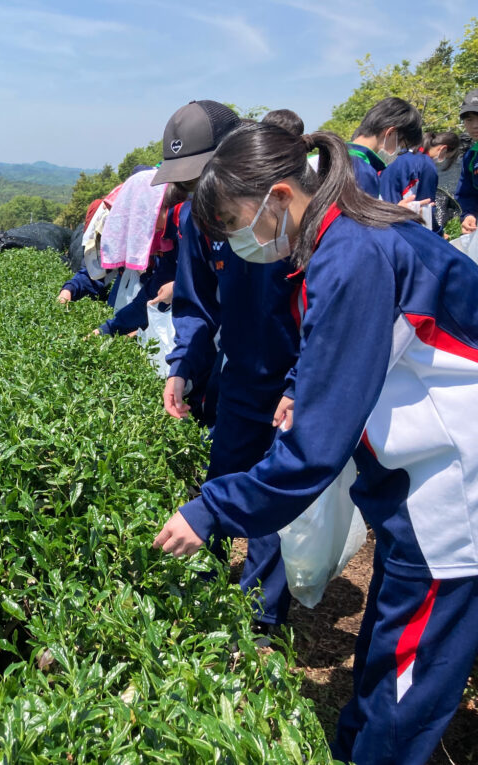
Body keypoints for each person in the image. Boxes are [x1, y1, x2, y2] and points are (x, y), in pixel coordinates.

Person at [153, 122, 478, 765]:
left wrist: (210, 509)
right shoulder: (347, 239)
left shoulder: (353, 254)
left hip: (453, 487)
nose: (233, 242)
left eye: (233, 223)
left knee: (407, 677)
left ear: (278, 196)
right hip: (413, 474)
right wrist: (305, 384)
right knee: (389, 636)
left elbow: (316, 450)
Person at [155, 100, 299, 633]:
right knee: (221, 483)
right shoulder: (202, 220)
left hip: (291, 383)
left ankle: (260, 626)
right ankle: (202, 607)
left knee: (274, 510)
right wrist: (183, 367)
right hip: (240, 376)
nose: (197, 194)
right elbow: (197, 303)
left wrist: (302, 382)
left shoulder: (289, 210)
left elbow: (331, 313)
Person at [91, 181, 187, 337]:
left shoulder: (187, 224)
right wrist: (109, 328)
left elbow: (213, 279)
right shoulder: (169, 236)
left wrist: (180, 286)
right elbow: (154, 291)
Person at [347, 97, 423, 198]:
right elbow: (362, 213)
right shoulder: (363, 171)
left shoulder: (330, 155)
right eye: (401, 147)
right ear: (390, 133)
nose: (398, 152)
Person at [456, 87, 478, 234]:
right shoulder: (471, 156)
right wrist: (469, 215)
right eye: (469, 119)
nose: (475, 125)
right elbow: (466, 194)